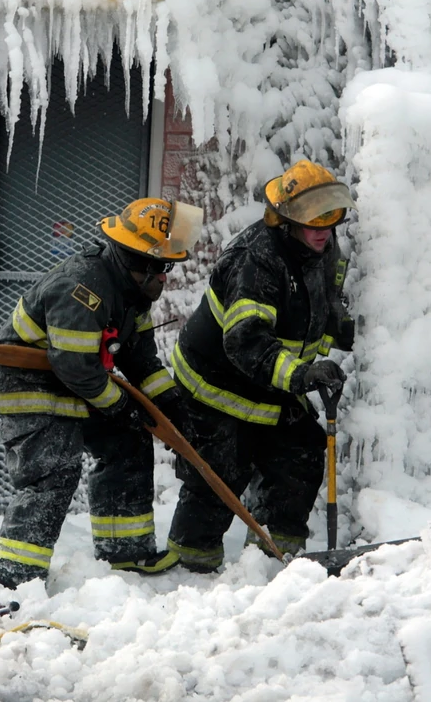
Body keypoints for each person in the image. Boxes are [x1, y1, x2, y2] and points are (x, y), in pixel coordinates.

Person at [0, 198, 203, 589]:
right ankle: (17, 577)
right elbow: (76, 366)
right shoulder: (82, 287)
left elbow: (138, 358)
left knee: (128, 440)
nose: (165, 277)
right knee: (54, 468)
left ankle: (126, 552)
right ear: (139, 260)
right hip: (29, 384)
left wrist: (170, 405)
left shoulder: (128, 292)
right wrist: (121, 406)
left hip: (76, 383)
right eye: (162, 267)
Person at [166, 159, 356, 571]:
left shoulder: (320, 246)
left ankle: (273, 560)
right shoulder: (256, 261)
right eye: (313, 219)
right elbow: (246, 341)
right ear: (286, 221)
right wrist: (303, 374)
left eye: (332, 215)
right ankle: (190, 569)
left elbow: (320, 298)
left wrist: (336, 323)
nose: (324, 227)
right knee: (219, 474)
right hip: (215, 383)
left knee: (302, 454)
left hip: (269, 383)